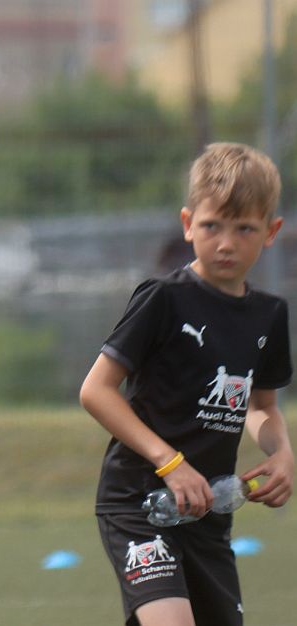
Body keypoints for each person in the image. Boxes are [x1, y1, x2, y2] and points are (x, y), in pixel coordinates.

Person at [79, 142, 293, 626]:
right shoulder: (164, 299)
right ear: (187, 223)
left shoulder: (270, 316)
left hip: (207, 515)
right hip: (140, 502)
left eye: (244, 229)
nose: (225, 243)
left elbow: (261, 408)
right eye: (212, 225)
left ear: (271, 232)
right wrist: (169, 462)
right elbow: (96, 391)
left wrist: (282, 453)